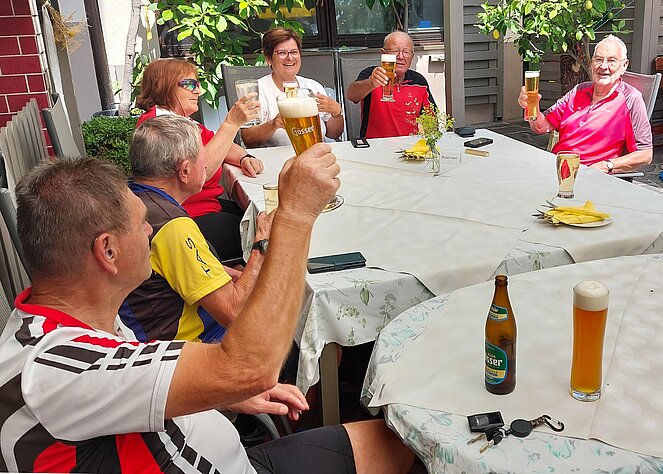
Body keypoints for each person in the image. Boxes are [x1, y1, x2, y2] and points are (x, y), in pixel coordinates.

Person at [0, 153, 417, 473]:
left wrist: (215, 391)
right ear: (107, 251)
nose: (150, 230)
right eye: (142, 223)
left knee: (399, 444)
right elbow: (252, 367)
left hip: (226, 452)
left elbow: (125, 388)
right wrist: (295, 217)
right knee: (403, 445)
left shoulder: (72, 320)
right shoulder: (53, 369)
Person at [118, 115, 271, 343]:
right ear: (185, 171)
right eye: (202, 157)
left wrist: (224, 273)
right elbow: (232, 312)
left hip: (149, 329)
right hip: (189, 345)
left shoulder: (131, 199)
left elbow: (171, 269)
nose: (207, 164)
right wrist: (261, 244)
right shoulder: (173, 226)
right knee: (283, 325)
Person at [137, 58, 264, 261]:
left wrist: (244, 157)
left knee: (258, 212)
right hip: (185, 217)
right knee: (265, 230)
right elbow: (201, 172)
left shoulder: (181, 121)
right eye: (189, 84)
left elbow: (218, 143)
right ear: (164, 86)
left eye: (197, 83)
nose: (199, 90)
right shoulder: (159, 126)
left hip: (204, 206)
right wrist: (231, 124)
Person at [518, 34, 652, 174]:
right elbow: (541, 127)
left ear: (624, 66)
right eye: (598, 59)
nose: (603, 66)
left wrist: (606, 165)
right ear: (592, 63)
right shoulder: (579, 90)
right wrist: (530, 107)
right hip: (557, 167)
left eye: (611, 61)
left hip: (589, 175)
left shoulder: (630, 98)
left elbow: (645, 155)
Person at [241, 27, 344, 148]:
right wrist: (274, 124)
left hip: (316, 153)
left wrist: (336, 112)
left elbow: (333, 133)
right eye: (282, 53)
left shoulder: (313, 87)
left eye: (294, 52)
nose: (290, 58)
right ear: (268, 58)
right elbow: (248, 140)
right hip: (277, 157)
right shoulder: (257, 91)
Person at [346, 31, 436, 139]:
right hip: (376, 145)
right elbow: (351, 95)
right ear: (383, 53)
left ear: (412, 56)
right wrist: (371, 83)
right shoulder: (372, 75)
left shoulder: (419, 81)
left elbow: (432, 120)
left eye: (406, 52)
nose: (401, 56)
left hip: (410, 146)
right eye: (395, 51)